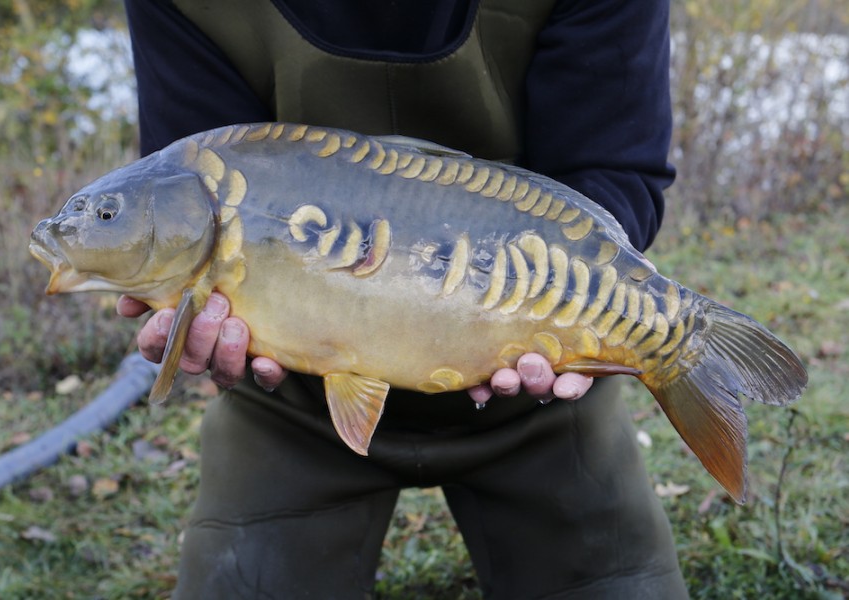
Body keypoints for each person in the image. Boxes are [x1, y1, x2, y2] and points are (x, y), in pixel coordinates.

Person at [120, 1, 689, 598]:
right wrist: (197, 316)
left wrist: (537, 300)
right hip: (292, 394)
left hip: (536, 384)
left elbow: (612, 166)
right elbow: (192, 166)